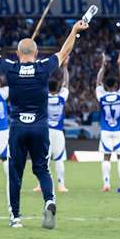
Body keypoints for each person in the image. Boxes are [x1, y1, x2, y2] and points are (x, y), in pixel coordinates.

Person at [0, 19, 89, 229]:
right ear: (36, 53)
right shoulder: (43, 67)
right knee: (42, 169)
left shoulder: (11, 68)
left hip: (18, 128)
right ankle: (49, 200)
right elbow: (64, 52)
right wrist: (74, 30)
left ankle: (15, 218)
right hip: (40, 127)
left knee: (15, 173)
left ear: (17, 54)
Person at [96, 52, 120, 193]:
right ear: (116, 85)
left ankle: (106, 183)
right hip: (119, 130)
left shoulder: (102, 96)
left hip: (106, 130)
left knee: (106, 157)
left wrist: (103, 67)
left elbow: (98, 82)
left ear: (105, 85)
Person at [44, 57, 71, 193]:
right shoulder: (61, 97)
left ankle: (41, 185)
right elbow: (66, 83)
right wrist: (65, 67)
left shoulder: (43, 97)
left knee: (44, 159)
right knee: (59, 158)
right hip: (58, 132)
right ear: (58, 87)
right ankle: (61, 185)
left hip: (45, 132)